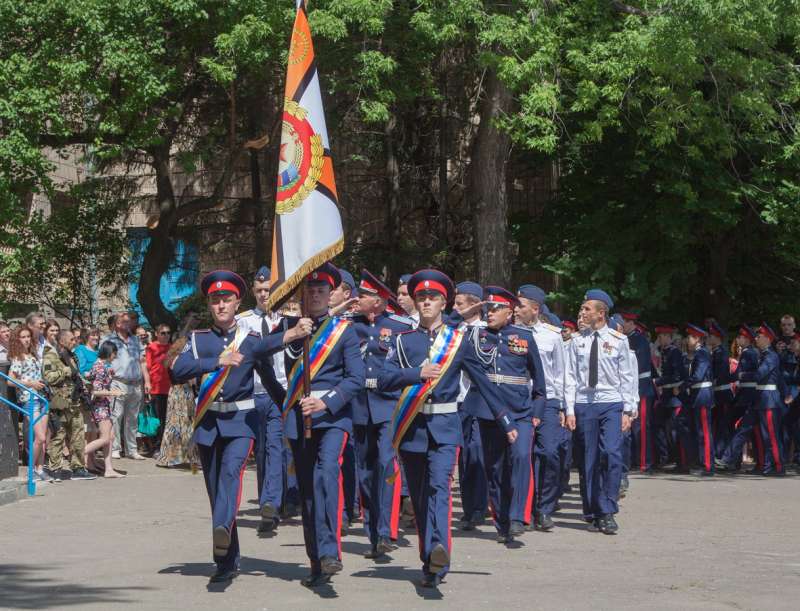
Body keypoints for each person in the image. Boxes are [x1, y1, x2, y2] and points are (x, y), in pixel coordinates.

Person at [378, 270, 517, 588]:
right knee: (421, 494)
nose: (426, 302)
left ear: (444, 303)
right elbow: (384, 380)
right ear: (415, 303)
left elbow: (482, 380)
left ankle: (439, 551)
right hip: (412, 429)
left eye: (433, 298)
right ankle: (430, 558)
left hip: (445, 427)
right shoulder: (402, 342)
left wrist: (504, 419)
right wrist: (417, 373)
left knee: (440, 489)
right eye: (421, 298)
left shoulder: (458, 342)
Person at [171, 270, 310, 583]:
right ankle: (226, 561)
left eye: (226, 299)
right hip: (208, 423)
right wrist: (217, 362)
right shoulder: (198, 339)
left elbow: (272, 363)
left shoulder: (250, 340)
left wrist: (289, 405)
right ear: (210, 305)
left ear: (237, 303)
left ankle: (222, 529)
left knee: (231, 476)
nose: (220, 305)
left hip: (240, 423)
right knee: (215, 488)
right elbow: (176, 370)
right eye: (215, 300)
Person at [281, 263, 364, 587]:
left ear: (331, 295)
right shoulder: (289, 330)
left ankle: (331, 551)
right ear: (303, 294)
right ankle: (317, 561)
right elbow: (266, 364)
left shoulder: (345, 331)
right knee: (308, 490)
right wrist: (285, 402)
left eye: (321, 290)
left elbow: (355, 378)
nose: (315, 294)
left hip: (333, 418)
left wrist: (326, 401)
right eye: (310, 290)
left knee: (326, 473)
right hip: (298, 420)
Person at [461, 285, 546, 543]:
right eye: (486, 308)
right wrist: (473, 308)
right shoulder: (474, 336)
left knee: (521, 457)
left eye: (495, 308)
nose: (489, 313)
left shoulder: (524, 337)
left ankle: (518, 516)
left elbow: (539, 382)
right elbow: (448, 324)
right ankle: (503, 521)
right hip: (488, 413)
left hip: (519, 411)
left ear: (509, 312)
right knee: (495, 470)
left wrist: (537, 411)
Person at [349, 269, 413, 558]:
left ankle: (387, 531)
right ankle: (373, 531)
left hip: (388, 405)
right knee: (364, 472)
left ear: (378, 301)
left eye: (362, 295)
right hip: (360, 406)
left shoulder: (401, 325)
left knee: (387, 466)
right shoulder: (349, 325)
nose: (356, 299)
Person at [564, 289, 634, 535]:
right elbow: (570, 378)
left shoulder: (619, 341)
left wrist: (629, 409)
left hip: (611, 402)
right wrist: (569, 409)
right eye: (582, 308)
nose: (581, 312)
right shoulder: (576, 342)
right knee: (588, 459)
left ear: (601, 313)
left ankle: (608, 509)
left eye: (586, 309)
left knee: (612, 453)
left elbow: (627, 377)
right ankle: (592, 509)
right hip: (584, 403)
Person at [235, 266, 286, 533]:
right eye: (260, 291)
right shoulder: (243, 321)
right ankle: (269, 505)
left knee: (275, 449)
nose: (265, 295)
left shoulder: (287, 319)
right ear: (253, 293)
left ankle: (270, 503)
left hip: (279, 392)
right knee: (261, 452)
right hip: (253, 394)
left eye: (269, 290)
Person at [514, 284, 565, 532]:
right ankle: (521, 510)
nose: (515, 309)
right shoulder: (510, 333)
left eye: (521, 305)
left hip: (547, 401)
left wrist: (564, 406)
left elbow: (560, 373)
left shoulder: (552, 336)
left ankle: (544, 507)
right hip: (519, 399)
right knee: (520, 455)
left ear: (535, 309)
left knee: (548, 453)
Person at [453, 281, 489, 531]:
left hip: (479, 401)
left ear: (476, 304)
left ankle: (479, 507)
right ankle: (468, 508)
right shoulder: (452, 331)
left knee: (477, 453)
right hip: (455, 400)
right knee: (464, 456)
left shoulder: (487, 331)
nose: (454, 307)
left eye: (459, 303)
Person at [43, 330, 96, 481]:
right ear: (62, 341)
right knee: (59, 435)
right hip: (59, 403)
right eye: (72, 339)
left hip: (75, 401)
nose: (75, 342)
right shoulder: (50, 356)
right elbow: (48, 377)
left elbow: (76, 375)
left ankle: (78, 467)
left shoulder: (72, 356)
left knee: (78, 435)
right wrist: (65, 371)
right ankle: (55, 468)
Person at [739, 324, 786, 476]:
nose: (756, 339)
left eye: (759, 336)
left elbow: (760, 375)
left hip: (769, 400)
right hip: (762, 399)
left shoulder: (771, 356)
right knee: (763, 435)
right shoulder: (764, 355)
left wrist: (742, 376)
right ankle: (765, 466)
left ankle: (778, 467)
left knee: (771, 436)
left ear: (767, 339)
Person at [717, 326, 762, 472]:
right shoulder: (747, 353)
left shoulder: (749, 353)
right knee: (731, 424)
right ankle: (730, 459)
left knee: (740, 427)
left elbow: (745, 374)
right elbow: (737, 375)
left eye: (740, 337)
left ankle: (729, 459)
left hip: (748, 395)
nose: (738, 339)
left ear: (747, 339)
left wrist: (725, 379)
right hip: (744, 394)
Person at [104, 312, 148, 460]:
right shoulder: (108, 339)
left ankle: (131, 449)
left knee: (133, 418)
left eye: (129, 321)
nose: (128, 323)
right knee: (116, 416)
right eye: (124, 321)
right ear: (117, 324)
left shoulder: (136, 340)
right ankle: (116, 448)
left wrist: (147, 381)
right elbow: (103, 360)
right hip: (118, 382)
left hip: (135, 383)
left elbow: (142, 361)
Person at [8, 326, 50, 481]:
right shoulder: (18, 357)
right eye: (22, 337)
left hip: (41, 397)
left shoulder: (32, 354)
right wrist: (31, 384)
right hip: (29, 399)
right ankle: (30, 470)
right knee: (39, 437)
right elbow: (10, 380)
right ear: (17, 340)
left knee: (42, 438)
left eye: (28, 336)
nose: (26, 339)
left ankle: (40, 468)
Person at [619, 312, 656, 473]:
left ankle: (644, 462)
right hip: (636, 386)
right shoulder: (629, 339)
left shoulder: (638, 340)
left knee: (641, 428)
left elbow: (637, 367)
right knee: (633, 427)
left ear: (632, 323)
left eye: (625, 323)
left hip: (641, 387)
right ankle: (635, 460)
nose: (623, 326)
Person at [155, 336, 199, 469]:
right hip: (183, 392)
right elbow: (188, 378)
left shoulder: (171, 358)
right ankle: (191, 459)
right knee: (185, 426)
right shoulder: (181, 360)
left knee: (174, 426)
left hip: (175, 392)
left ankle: (168, 458)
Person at [84, 341, 125, 477]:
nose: (115, 356)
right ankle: (79, 454)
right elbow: (96, 391)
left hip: (103, 406)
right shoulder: (100, 367)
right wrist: (114, 393)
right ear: (110, 353)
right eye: (114, 353)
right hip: (100, 406)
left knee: (111, 437)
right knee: (105, 438)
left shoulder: (101, 365)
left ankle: (109, 469)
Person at [684, 324, 714, 476]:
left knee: (704, 432)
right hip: (699, 395)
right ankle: (704, 462)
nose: (687, 340)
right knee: (701, 431)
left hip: (702, 395)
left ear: (696, 339)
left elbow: (698, 375)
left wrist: (684, 384)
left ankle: (708, 465)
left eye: (689, 337)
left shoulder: (701, 354)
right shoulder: (699, 353)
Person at [653, 324, 684, 468]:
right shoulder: (663, 351)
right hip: (665, 395)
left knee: (673, 430)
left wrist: (658, 381)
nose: (660, 338)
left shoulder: (674, 352)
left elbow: (677, 375)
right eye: (660, 336)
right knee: (658, 426)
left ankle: (678, 459)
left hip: (673, 395)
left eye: (663, 336)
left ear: (669, 337)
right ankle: (665, 457)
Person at [708, 322, 736, 459]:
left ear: (717, 338)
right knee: (718, 426)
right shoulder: (715, 352)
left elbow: (719, 374)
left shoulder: (720, 353)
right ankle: (719, 454)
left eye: (711, 336)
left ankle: (723, 455)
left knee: (724, 427)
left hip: (723, 394)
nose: (709, 338)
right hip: (718, 393)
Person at [146, 324, 173, 450]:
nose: (166, 335)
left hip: (171, 388)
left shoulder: (172, 348)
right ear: (157, 334)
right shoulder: (151, 347)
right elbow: (147, 367)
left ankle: (166, 446)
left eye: (168, 332)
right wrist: (147, 384)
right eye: (163, 333)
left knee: (168, 418)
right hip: (156, 388)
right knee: (157, 419)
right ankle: (157, 447)